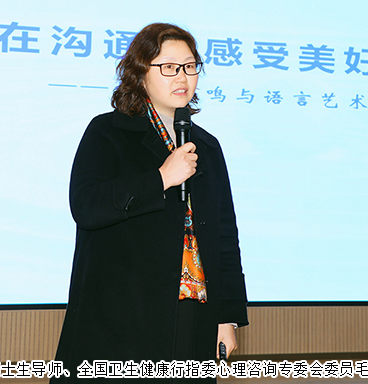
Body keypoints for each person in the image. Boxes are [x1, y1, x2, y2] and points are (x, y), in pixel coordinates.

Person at [53, 23, 248, 382]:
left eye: (190, 66)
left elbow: (224, 238)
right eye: (169, 67)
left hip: (193, 315)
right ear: (141, 73)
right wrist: (161, 178)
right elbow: (87, 206)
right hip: (122, 319)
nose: (183, 77)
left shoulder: (206, 146)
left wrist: (228, 318)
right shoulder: (108, 132)